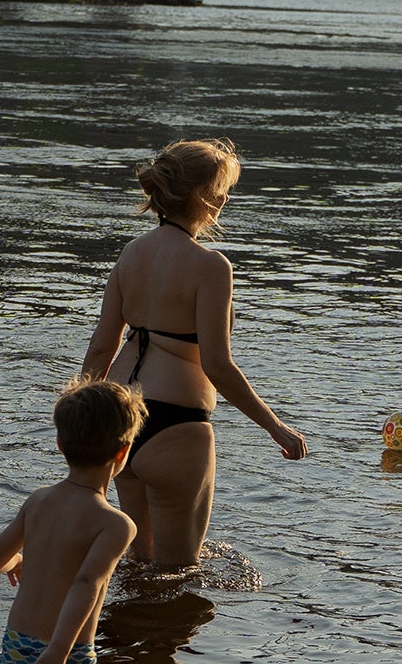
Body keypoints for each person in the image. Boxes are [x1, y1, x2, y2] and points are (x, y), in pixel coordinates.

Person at [78, 139, 305, 569]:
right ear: (202, 196)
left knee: (135, 568)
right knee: (177, 575)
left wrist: (82, 423)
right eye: (221, 188)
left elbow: (102, 347)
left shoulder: (132, 253)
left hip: (119, 421)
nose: (224, 199)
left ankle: (118, 637)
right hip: (177, 427)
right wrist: (276, 427)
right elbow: (217, 365)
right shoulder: (211, 266)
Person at [0, 379, 143, 664]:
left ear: (61, 445)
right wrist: (57, 655)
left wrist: (17, 560)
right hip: (66, 657)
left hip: (17, 649)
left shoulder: (38, 501)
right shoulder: (116, 524)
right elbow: (87, 584)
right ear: (123, 452)